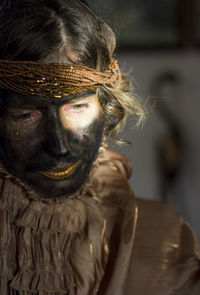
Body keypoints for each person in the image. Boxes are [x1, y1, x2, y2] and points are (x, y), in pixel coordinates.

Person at [0, 1, 199, 294]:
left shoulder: (164, 244)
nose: (60, 146)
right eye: (27, 115)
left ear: (106, 107)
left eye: (78, 107)